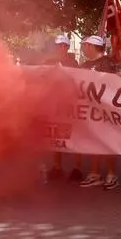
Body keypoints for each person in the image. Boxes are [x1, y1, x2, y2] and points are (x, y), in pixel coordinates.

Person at [78, 35, 121, 190]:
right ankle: (94, 173)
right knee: (92, 143)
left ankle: (111, 174)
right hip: (89, 112)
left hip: (105, 112)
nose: (83, 48)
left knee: (106, 143)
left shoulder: (108, 63)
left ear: (91, 46)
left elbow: (116, 85)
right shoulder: (83, 65)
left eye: (85, 45)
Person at [44, 34, 83, 182]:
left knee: (74, 136)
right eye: (58, 45)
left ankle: (78, 168)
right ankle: (57, 167)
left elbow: (79, 80)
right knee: (57, 136)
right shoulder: (48, 61)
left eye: (63, 45)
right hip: (54, 104)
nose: (61, 48)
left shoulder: (73, 62)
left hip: (70, 104)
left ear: (67, 47)